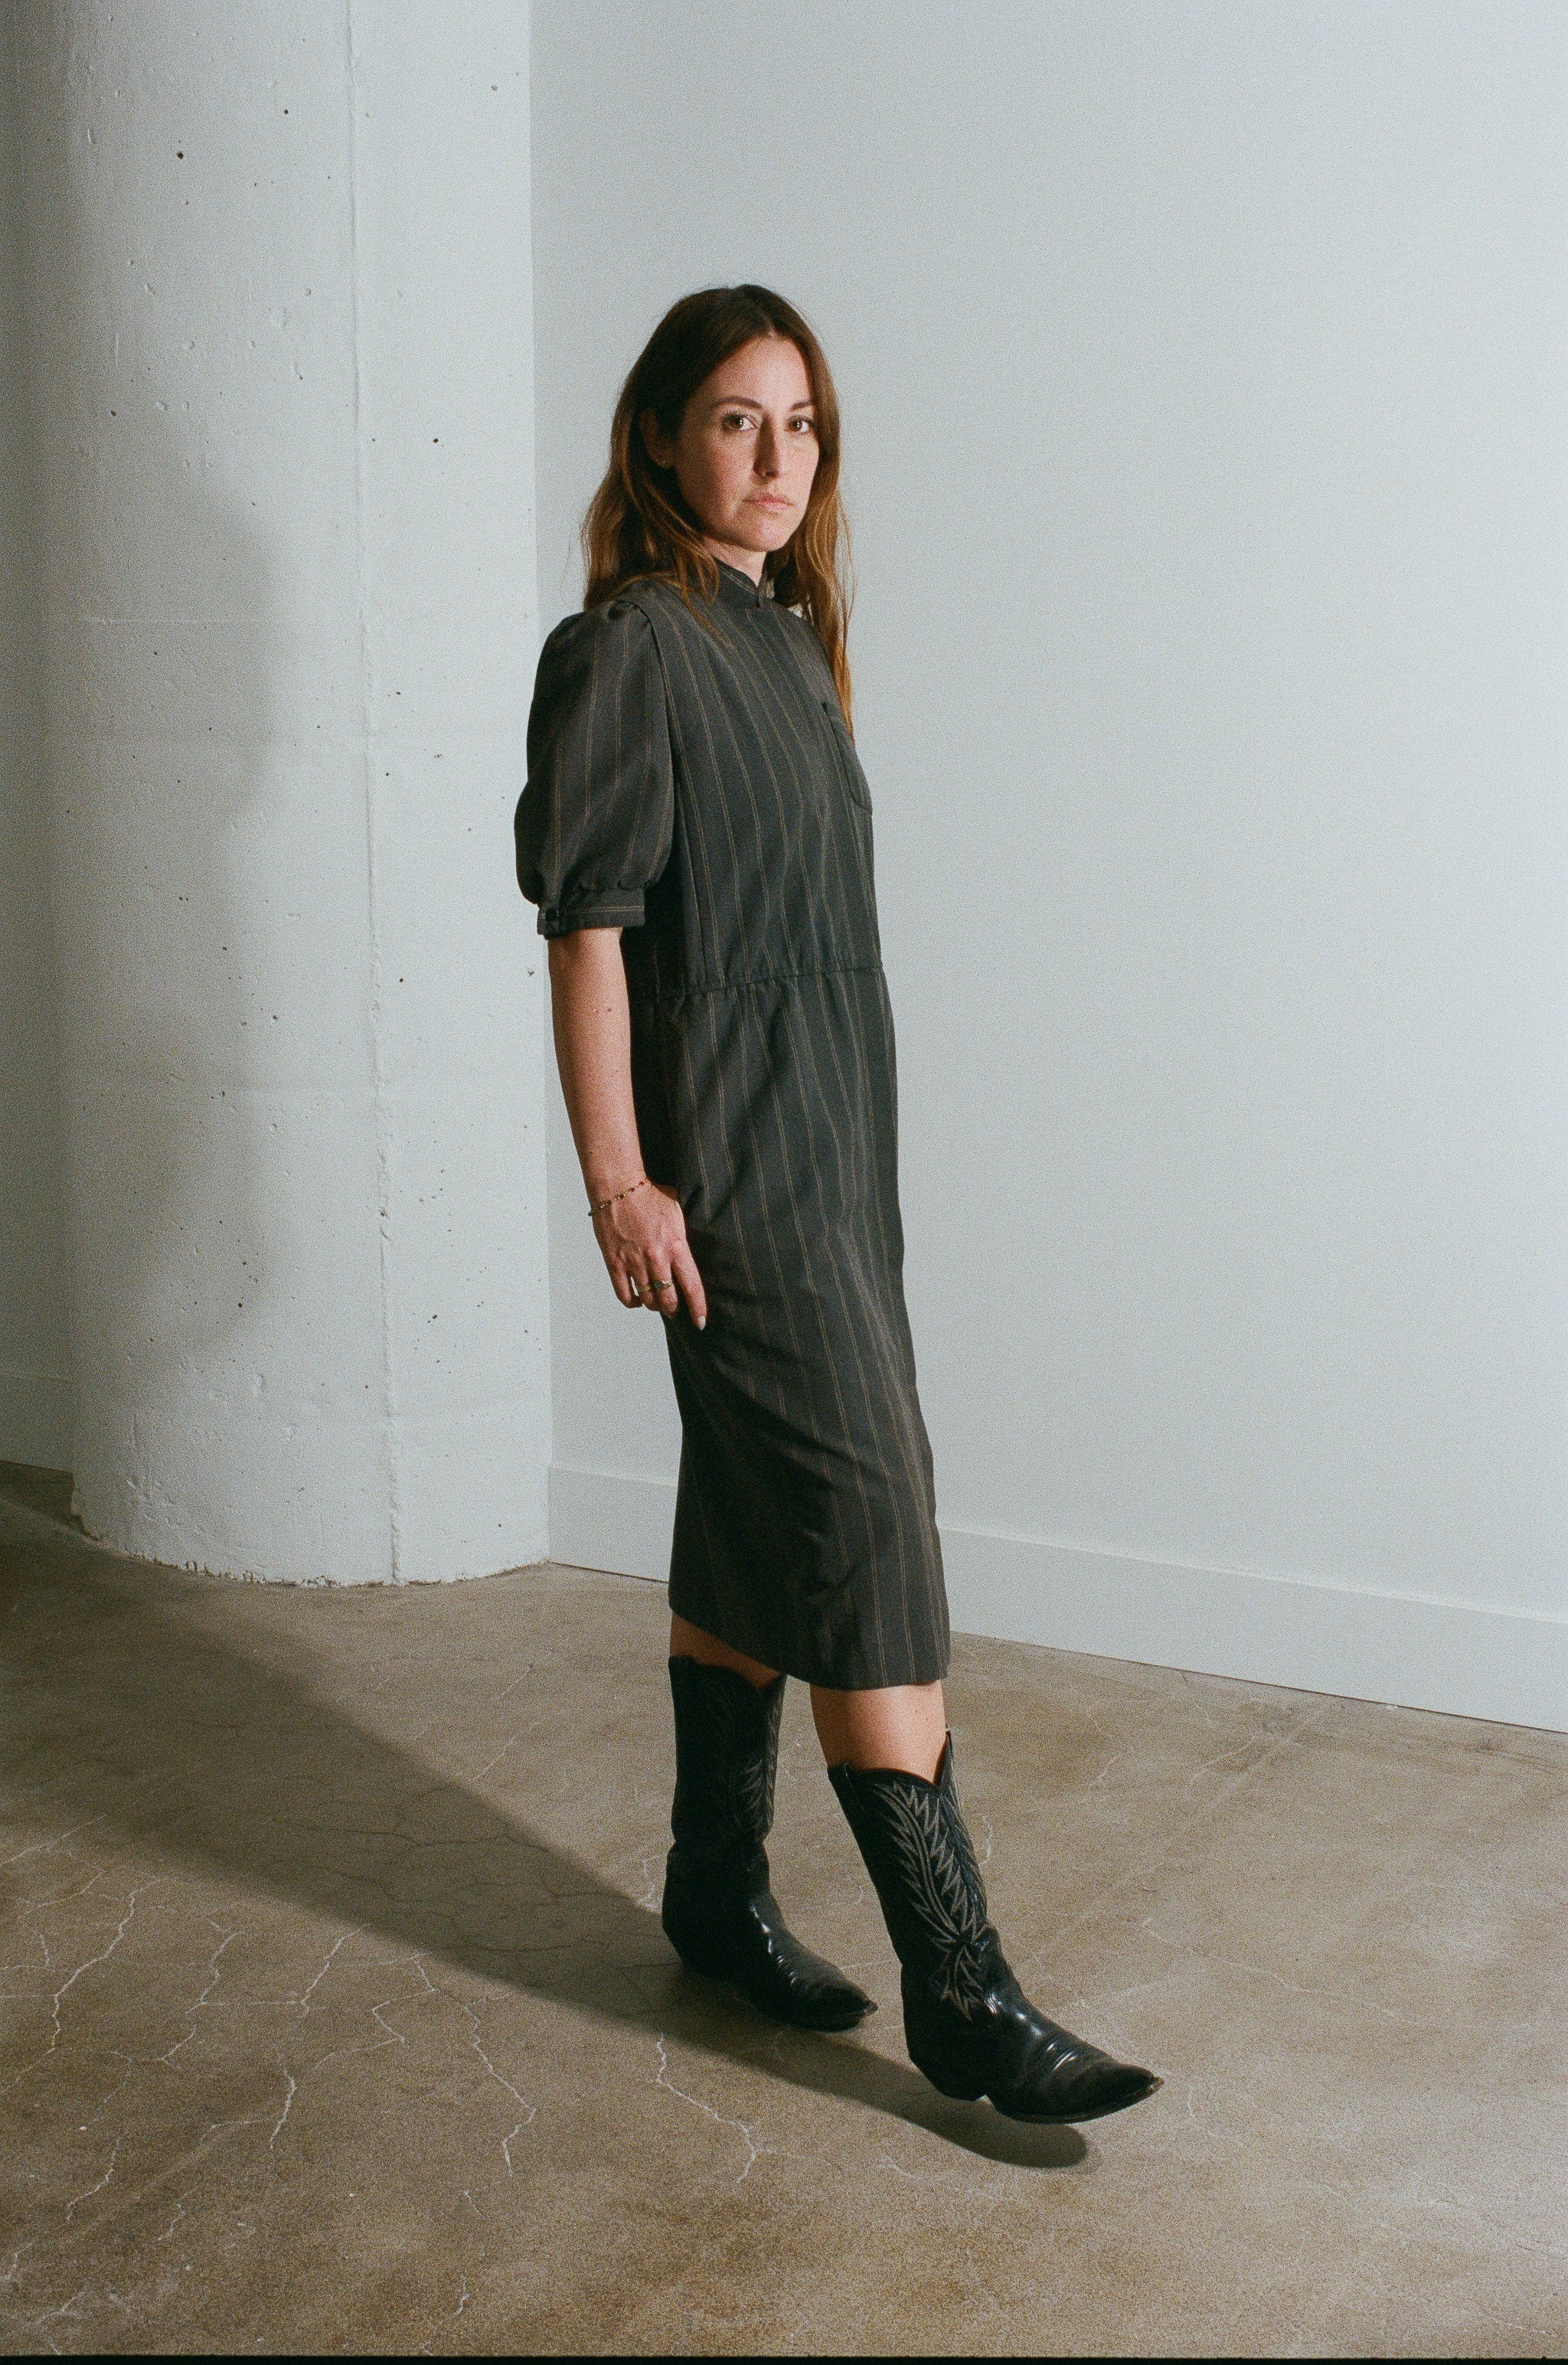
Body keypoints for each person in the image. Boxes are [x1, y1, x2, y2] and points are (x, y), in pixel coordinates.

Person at [515, 285, 1158, 2125]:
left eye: (800, 423)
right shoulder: (629, 647)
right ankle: (962, 1992)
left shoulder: (785, 639)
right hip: (729, 1163)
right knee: (867, 1520)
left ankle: (713, 1892)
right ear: (660, 435)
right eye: (736, 418)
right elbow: (588, 932)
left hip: (833, 1152)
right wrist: (621, 1178)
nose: (776, 456)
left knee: (754, 1515)